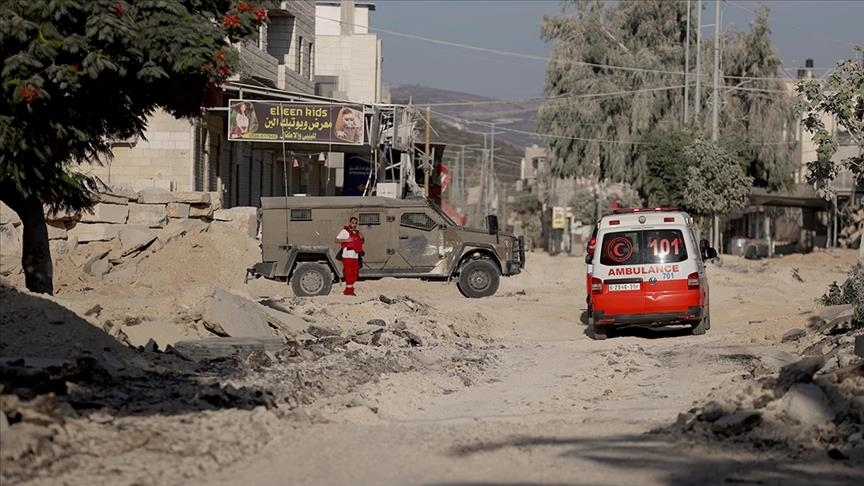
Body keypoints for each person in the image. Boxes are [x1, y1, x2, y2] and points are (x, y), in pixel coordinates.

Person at [335, 216, 364, 296]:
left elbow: (361, 242)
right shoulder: (345, 231)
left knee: (354, 274)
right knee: (348, 273)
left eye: (355, 223)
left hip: (355, 256)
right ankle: (349, 291)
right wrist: (346, 240)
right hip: (347, 255)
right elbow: (336, 240)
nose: (354, 224)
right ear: (350, 223)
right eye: (352, 223)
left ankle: (349, 289)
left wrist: (362, 237)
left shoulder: (357, 233)